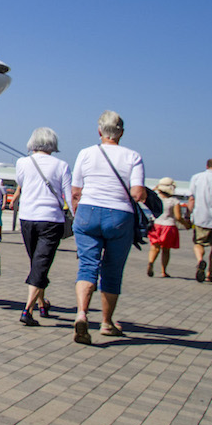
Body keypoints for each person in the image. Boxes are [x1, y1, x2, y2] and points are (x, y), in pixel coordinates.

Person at [70, 110, 146, 344]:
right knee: (112, 271)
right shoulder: (133, 156)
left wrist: (78, 216)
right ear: (121, 132)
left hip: (88, 211)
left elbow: (75, 192)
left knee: (87, 266)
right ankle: (106, 322)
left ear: (99, 131)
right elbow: (137, 193)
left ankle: (82, 313)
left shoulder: (85, 153)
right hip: (119, 215)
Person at [14, 127, 72, 327]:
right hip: (51, 220)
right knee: (41, 263)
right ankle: (27, 309)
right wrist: (75, 216)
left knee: (36, 262)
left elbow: (21, 183)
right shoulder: (62, 165)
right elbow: (68, 195)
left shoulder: (22, 162)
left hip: (27, 218)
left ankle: (40, 303)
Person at [146, 178, 185, 277]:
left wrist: (156, 188)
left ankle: (151, 262)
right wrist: (187, 224)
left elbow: (148, 196)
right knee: (166, 250)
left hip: (156, 225)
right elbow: (178, 217)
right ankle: (163, 271)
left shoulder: (156, 198)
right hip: (169, 226)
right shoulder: (174, 201)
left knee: (154, 247)